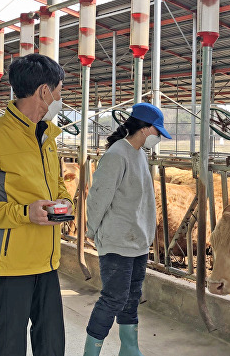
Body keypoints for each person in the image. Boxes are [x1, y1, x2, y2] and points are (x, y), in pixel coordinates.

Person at [0, 53, 73, 356]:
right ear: (44, 91)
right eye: (59, 90)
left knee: (52, 342)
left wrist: (65, 202)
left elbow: (57, 184)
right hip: (11, 263)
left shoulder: (47, 138)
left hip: (47, 259)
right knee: (11, 342)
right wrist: (24, 213)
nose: (60, 98)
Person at [82, 103, 171, 356]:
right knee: (113, 298)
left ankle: (129, 348)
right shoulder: (117, 155)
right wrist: (92, 231)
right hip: (118, 240)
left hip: (138, 240)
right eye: (157, 131)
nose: (158, 137)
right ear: (144, 129)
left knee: (132, 296)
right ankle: (91, 351)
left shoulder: (139, 154)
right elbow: (98, 197)